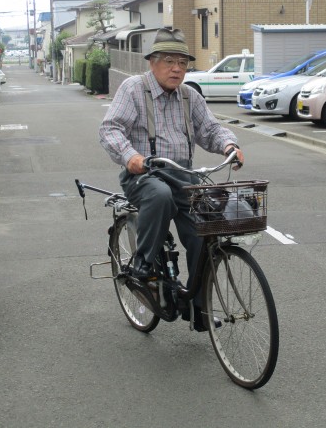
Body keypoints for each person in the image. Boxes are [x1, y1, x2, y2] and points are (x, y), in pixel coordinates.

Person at [99, 28, 244, 329]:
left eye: (182, 62)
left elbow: (211, 130)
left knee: (206, 232)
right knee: (160, 195)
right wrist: (131, 157)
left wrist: (230, 145)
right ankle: (143, 264)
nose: (177, 68)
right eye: (168, 61)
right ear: (152, 62)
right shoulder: (133, 89)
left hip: (182, 174)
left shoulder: (189, 96)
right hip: (143, 174)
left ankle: (199, 309)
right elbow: (110, 129)